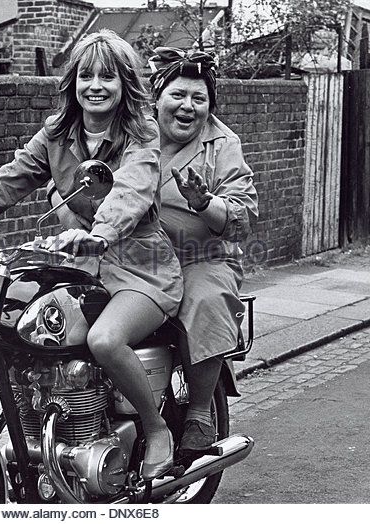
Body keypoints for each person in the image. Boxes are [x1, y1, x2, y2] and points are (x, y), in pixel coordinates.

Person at [0, 30, 183, 480]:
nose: (96, 85)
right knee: (19, 332)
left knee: (105, 341)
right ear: (72, 81)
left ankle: (156, 429)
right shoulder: (57, 134)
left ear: (125, 84)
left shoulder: (142, 134)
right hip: (81, 268)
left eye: (108, 77)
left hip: (141, 269)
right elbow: (7, 181)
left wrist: (101, 232)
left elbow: (133, 187)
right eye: (86, 75)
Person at [148, 48, 258, 453]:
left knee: (206, 299)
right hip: (137, 254)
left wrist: (203, 202)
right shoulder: (135, 135)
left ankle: (198, 412)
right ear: (157, 96)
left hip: (202, 256)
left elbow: (242, 217)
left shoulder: (223, 143)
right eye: (178, 95)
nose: (187, 107)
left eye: (199, 98)